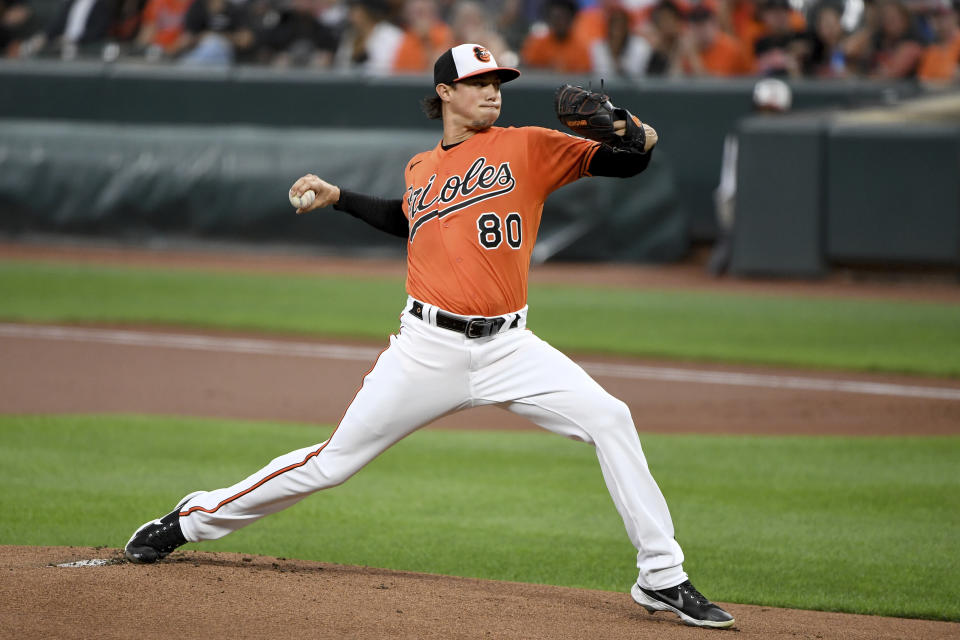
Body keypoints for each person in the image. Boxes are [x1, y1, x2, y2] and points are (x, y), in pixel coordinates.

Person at [123, 42, 735, 631]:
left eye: (497, 84)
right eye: (477, 85)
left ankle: (661, 574)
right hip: (425, 349)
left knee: (610, 418)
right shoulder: (421, 167)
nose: (491, 94)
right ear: (445, 92)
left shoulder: (529, 147)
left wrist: (626, 124)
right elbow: (408, 217)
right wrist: (339, 198)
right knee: (331, 464)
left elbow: (633, 160)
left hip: (510, 348)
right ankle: (191, 520)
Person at [708, 77, 792, 276]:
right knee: (727, 245)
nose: (767, 116)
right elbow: (731, 184)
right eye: (764, 109)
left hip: (768, 202)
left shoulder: (790, 138)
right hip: (734, 197)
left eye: (772, 111)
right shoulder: (741, 134)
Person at [520, 0, 592, 73]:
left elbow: (584, 77)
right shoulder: (537, 44)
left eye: (564, 18)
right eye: (556, 18)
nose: (560, 22)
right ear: (549, 19)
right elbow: (528, 70)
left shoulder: (581, 48)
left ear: (571, 19)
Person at [680, 4, 752, 76]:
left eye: (704, 26)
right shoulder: (687, 47)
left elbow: (712, 84)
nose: (700, 32)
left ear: (715, 24)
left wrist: (693, 56)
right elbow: (674, 78)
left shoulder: (732, 48)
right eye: (696, 27)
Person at [917, 0, 960, 82]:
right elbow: (923, 81)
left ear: (956, 15)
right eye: (935, 17)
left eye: (944, 16)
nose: (940, 22)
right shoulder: (930, 51)